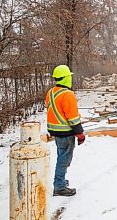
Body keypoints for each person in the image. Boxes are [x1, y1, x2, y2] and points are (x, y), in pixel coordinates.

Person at [45, 64, 85, 197]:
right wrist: (80, 134)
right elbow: (73, 118)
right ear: (66, 78)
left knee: (61, 156)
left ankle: (60, 180)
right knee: (64, 159)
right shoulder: (68, 94)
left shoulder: (51, 92)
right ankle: (59, 186)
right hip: (66, 133)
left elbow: (51, 110)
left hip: (55, 131)